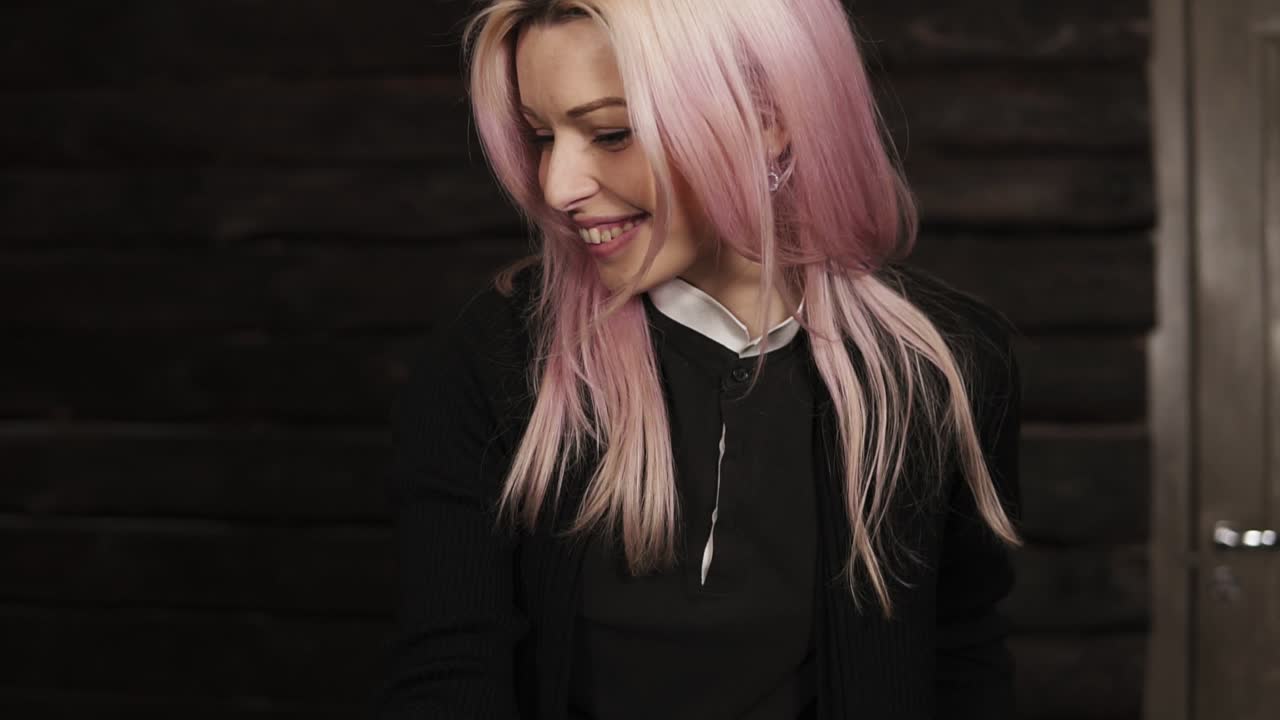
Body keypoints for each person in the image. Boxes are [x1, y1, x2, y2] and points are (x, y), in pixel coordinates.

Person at [373, 1, 1024, 718]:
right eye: (540, 137)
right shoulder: (492, 357)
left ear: (768, 119)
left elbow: (962, 657)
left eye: (612, 132)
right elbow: (449, 670)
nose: (557, 187)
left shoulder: (940, 366)